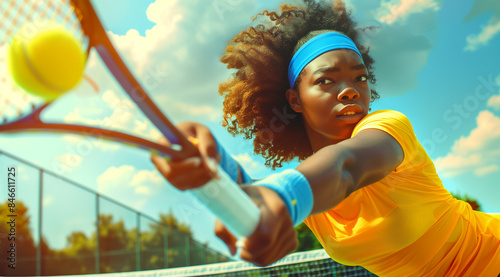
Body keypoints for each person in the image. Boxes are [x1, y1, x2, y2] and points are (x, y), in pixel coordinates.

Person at [151, 0, 500, 276]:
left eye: (360, 79)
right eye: (326, 81)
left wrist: (281, 196)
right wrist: (207, 160)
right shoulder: (309, 186)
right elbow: (250, 192)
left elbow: (346, 167)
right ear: (294, 99)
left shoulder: (388, 127)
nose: (350, 90)